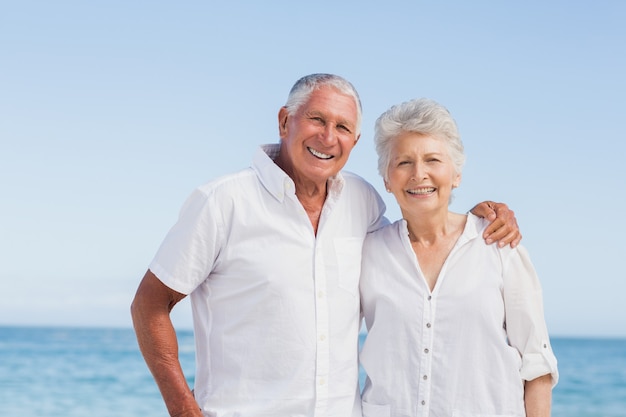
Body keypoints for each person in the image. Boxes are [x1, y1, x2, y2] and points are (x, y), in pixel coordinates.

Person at [130, 74, 521, 417]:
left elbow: (412, 244)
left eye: (342, 126)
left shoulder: (361, 200)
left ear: (355, 140)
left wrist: (470, 220)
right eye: (316, 119)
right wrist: (183, 409)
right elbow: (149, 304)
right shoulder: (223, 202)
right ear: (285, 121)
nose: (328, 137)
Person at [359, 98, 558, 417]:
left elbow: (537, 366)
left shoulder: (498, 243)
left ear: (456, 174)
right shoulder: (367, 252)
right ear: (386, 178)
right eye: (403, 162)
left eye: (433, 160)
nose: (418, 174)